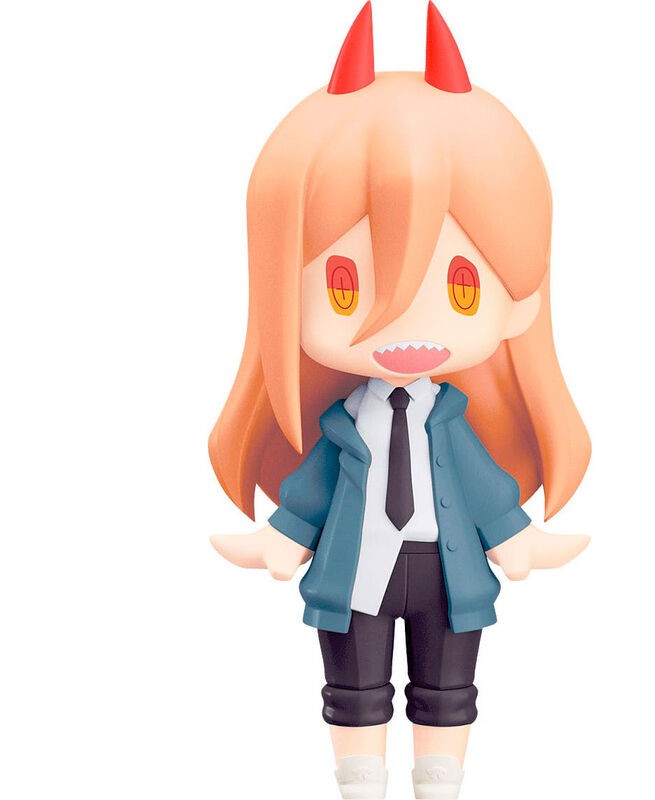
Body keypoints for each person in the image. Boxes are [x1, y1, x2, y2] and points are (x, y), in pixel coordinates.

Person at [209, 4, 591, 798]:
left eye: (460, 285)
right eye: (344, 286)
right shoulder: (342, 428)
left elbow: (485, 491)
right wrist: (282, 540)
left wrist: (515, 540)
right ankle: (359, 781)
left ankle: (440, 780)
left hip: (450, 576)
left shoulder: (450, 425)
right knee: (352, 691)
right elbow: (311, 494)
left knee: (448, 690)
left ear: (518, 298)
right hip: (355, 576)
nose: (402, 327)